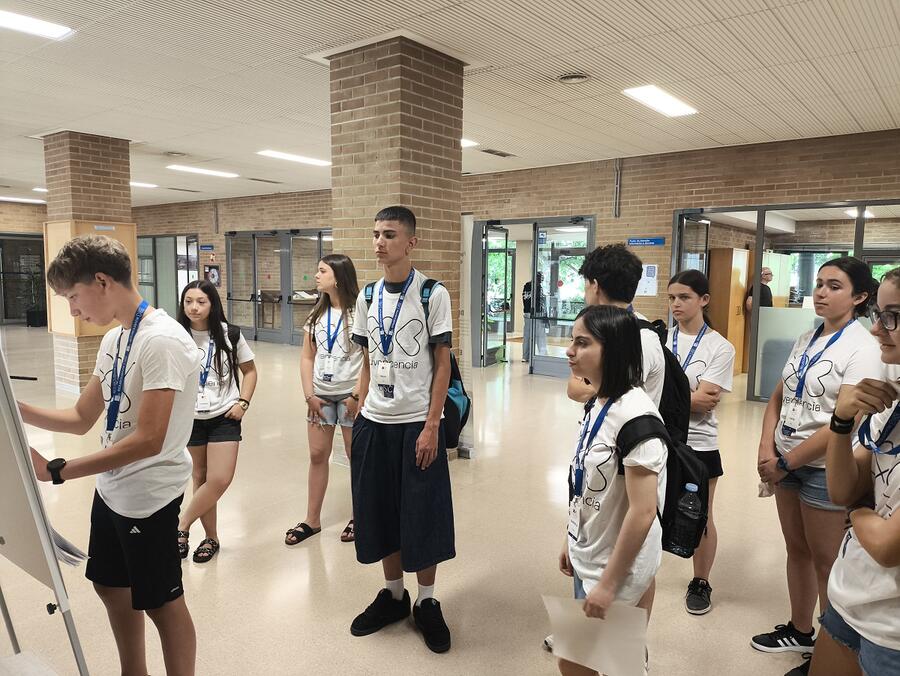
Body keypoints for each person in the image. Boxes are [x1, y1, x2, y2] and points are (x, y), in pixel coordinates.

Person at [20, 235, 200, 676]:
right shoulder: (116, 339)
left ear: (101, 281)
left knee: (161, 602)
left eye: (72, 296)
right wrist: (12, 405)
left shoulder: (161, 341)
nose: (72, 310)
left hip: (151, 496)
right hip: (114, 488)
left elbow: (149, 439)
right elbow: (81, 417)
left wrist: (59, 471)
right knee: (109, 585)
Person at [753, 257, 883, 676]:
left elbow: (845, 422)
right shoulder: (808, 337)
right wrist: (766, 446)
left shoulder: (863, 348)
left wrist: (786, 461)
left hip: (824, 467)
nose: (821, 292)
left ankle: (831, 653)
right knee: (796, 549)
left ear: (859, 297)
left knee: (827, 559)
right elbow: (779, 395)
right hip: (784, 460)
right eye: (820, 284)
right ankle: (800, 629)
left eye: (834, 286)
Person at [348, 206, 455, 654]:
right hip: (375, 422)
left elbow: (443, 365)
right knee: (380, 511)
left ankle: (426, 601)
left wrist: (432, 425)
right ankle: (394, 596)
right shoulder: (367, 296)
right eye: (376, 234)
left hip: (416, 425)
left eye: (389, 235)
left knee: (423, 514)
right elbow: (368, 359)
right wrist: (359, 410)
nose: (379, 242)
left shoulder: (432, 293)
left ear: (411, 242)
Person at [558, 304, 666, 676]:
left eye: (582, 343)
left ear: (613, 350)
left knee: (578, 662)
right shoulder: (598, 402)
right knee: (606, 659)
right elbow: (585, 482)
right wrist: (570, 536)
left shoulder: (637, 418)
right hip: (591, 548)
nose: (570, 351)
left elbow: (643, 512)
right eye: (572, 340)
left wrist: (608, 584)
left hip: (617, 566)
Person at [808, 267, 900, 676]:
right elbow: (843, 489)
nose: (877, 328)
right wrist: (842, 422)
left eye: (893, 317)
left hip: (893, 630)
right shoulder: (893, 396)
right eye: (880, 313)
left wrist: (858, 513)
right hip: (850, 595)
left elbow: (887, 546)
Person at [667, 270, 735, 615]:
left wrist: (660, 397)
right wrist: (685, 398)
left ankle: (700, 581)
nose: (676, 304)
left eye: (684, 297)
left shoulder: (720, 347)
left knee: (700, 513)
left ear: (704, 300)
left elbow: (706, 401)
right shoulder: (659, 340)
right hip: (659, 437)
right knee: (647, 508)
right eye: (672, 298)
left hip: (699, 442)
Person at [176, 280, 257, 563]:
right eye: (188, 301)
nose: (194, 307)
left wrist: (243, 403)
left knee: (219, 478)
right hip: (190, 417)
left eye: (201, 301)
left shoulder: (229, 334)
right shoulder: (177, 335)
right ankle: (211, 538)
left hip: (225, 415)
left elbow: (250, 371)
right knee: (200, 477)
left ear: (212, 304)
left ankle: (181, 525)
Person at [285, 254, 363, 546]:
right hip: (320, 397)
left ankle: (360, 517)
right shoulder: (316, 315)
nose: (316, 276)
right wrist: (309, 395)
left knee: (357, 457)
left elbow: (369, 359)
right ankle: (312, 520)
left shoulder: (359, 313)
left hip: (351, 397)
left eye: (322, 271)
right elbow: (307, 357)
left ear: (339, 277)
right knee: (317, 455)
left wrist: (356, 395)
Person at [567, 244, 665, 408]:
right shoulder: (598, 327)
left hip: (625, 423)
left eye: (586, 284)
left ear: (595, 286)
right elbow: (574, 388)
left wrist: (592, 384)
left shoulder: (640, 336)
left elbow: (611, 391)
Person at [522, 272, 548, 362]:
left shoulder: (528, 286)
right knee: (539, 335)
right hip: (535, 313)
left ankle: (526, 356)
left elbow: (525, 299)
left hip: (529, 313)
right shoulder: (535, 287)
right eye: (540, 278)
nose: (541, 280)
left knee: (528, 335)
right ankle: (542, 354)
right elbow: (540, 302)